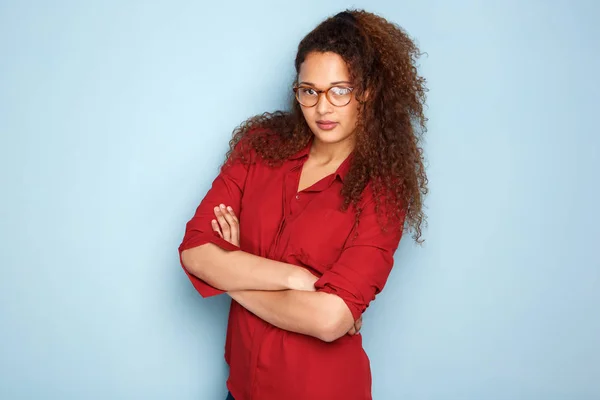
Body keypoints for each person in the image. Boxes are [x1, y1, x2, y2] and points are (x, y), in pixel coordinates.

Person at [178, 9, 428, 400]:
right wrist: (298, 279)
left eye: (339, 90)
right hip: (241, 389)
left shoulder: (383, 191)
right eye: (309, 90)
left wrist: (233, 273)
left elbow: (330, 320)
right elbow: (195, 252)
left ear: (368, 90)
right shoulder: (259, 147)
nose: (322, 108)